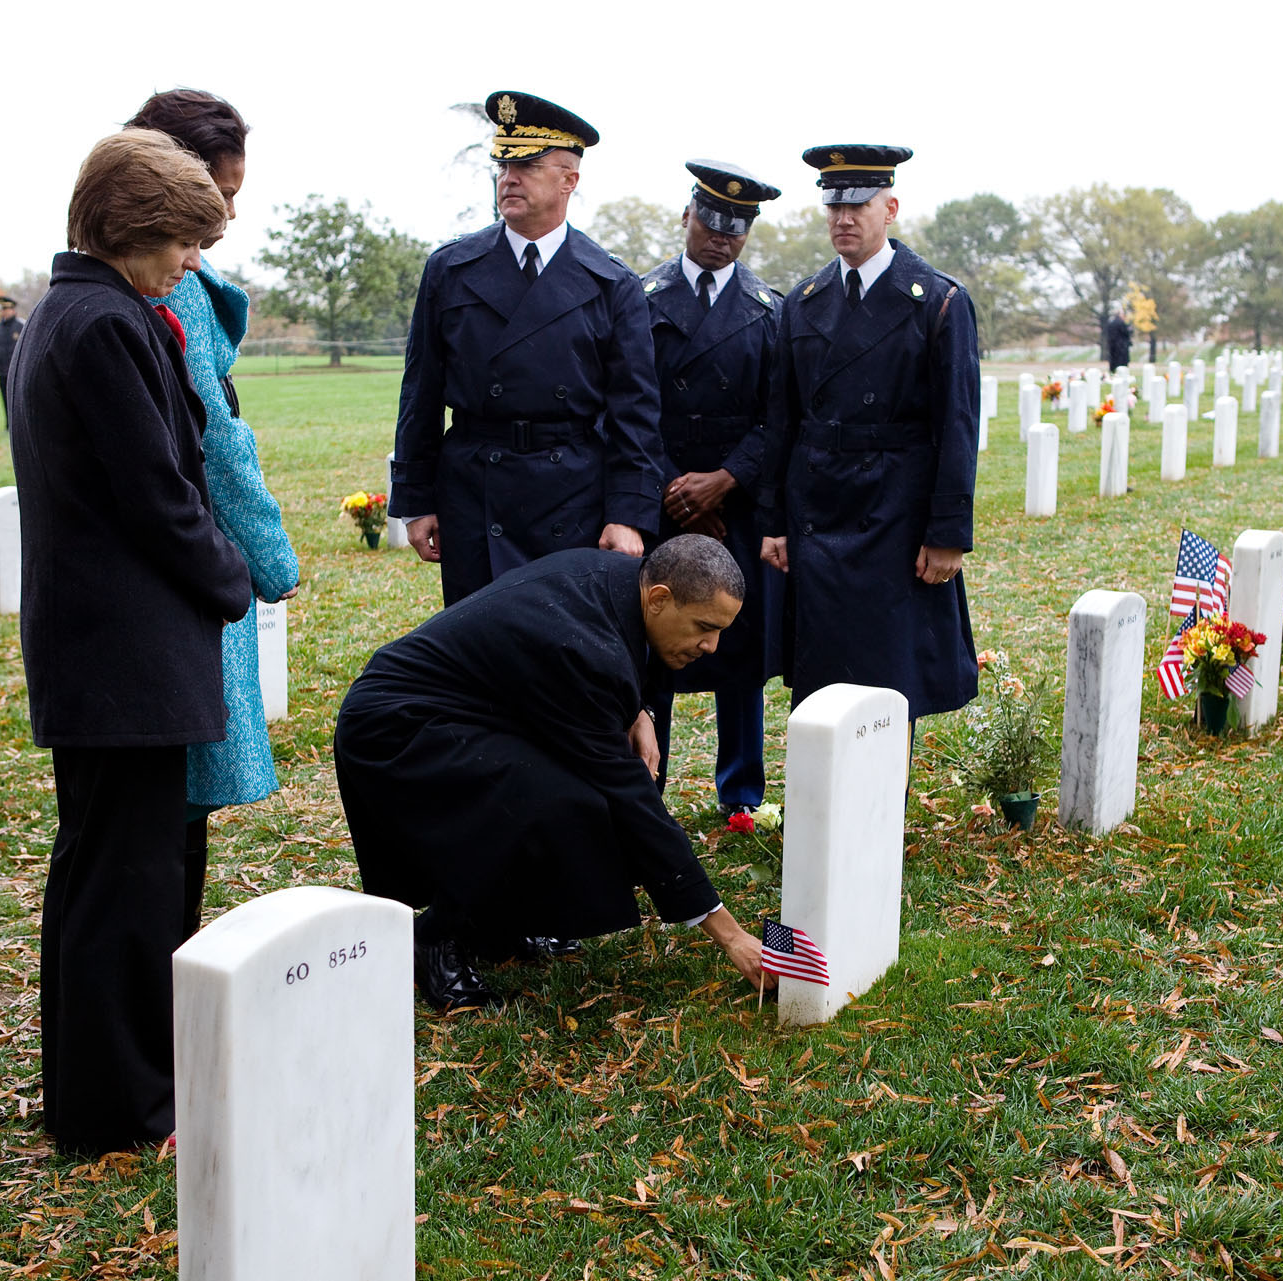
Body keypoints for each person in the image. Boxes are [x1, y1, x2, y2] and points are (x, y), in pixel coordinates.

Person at [8, 128, 251, 1156]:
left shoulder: (70, 313)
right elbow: (159, 494)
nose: (188, 263)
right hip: (126, 653)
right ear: (126, 227)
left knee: (99, 874)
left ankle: (95, 1092)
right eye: (180, 242)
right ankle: (120, 1109)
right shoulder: (105, 325)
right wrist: (230, 579)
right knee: (127, 885)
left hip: (103, 650)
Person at [334, 536, 769, 1011]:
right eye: (705, 627)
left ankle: (498, 926)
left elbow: (620, 662)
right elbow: (630, 798)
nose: (712, 646)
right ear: (661, 597)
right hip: (398, 728)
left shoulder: (624, 583)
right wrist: (731, 937)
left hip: (472, 713)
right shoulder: (584, 649)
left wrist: (637, 710)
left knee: (567, 794)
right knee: (551, 800)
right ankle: (435, 939)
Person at [126, 89, 301, 919]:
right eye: (220, 194)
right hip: (187, 570)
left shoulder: (125, 275)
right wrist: (271, 562)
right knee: (169, 819)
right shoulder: (174, 284)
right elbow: (220, 443)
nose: (229, 216)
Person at [391, 89, 667, 605]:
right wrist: (415, 498)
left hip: (571, 496)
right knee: (480, 650)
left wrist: (627, 514)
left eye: (528, 166)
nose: (508, 179)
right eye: (503, 166)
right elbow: (421, 393)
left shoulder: (612, 283)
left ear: (570, 180)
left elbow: (636, 413)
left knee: (561, 645)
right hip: (477, 491)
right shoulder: (451, 270)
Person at [758, 144, 979, 735]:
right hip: (819, 510)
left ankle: (877, 813)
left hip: (894, 516)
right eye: (833, 206)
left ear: (891, 208)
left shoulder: (936, 300)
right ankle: (825, 807)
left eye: (858, 205)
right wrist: (773, 521)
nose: (844, 219)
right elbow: (784, 422)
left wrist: (948, 534)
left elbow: (957, 425)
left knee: (888, 671)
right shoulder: (803, 303)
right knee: (823, 667)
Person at [637, 160, 783, 816]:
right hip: (662, 499)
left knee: (738, 649)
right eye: (711, 222)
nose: (722, 237)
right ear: (687, 217)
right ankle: (649, 784)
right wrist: (677, 490)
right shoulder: (639, 300)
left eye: (737, 228)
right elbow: (629, 406)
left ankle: (741, 794)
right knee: (654, 641)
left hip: (734, 507)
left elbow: (778, 416)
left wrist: (725, 482)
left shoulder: (767, 310)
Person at [0, 296, 25, 431]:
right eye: (2, 309)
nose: (4, 312)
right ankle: (9, 425)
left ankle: (18, 425)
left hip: (17, 371)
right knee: (5, 398)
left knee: (17, 399)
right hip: (2, 369)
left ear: (13, 310)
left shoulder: (21, 326)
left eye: (6, 309)